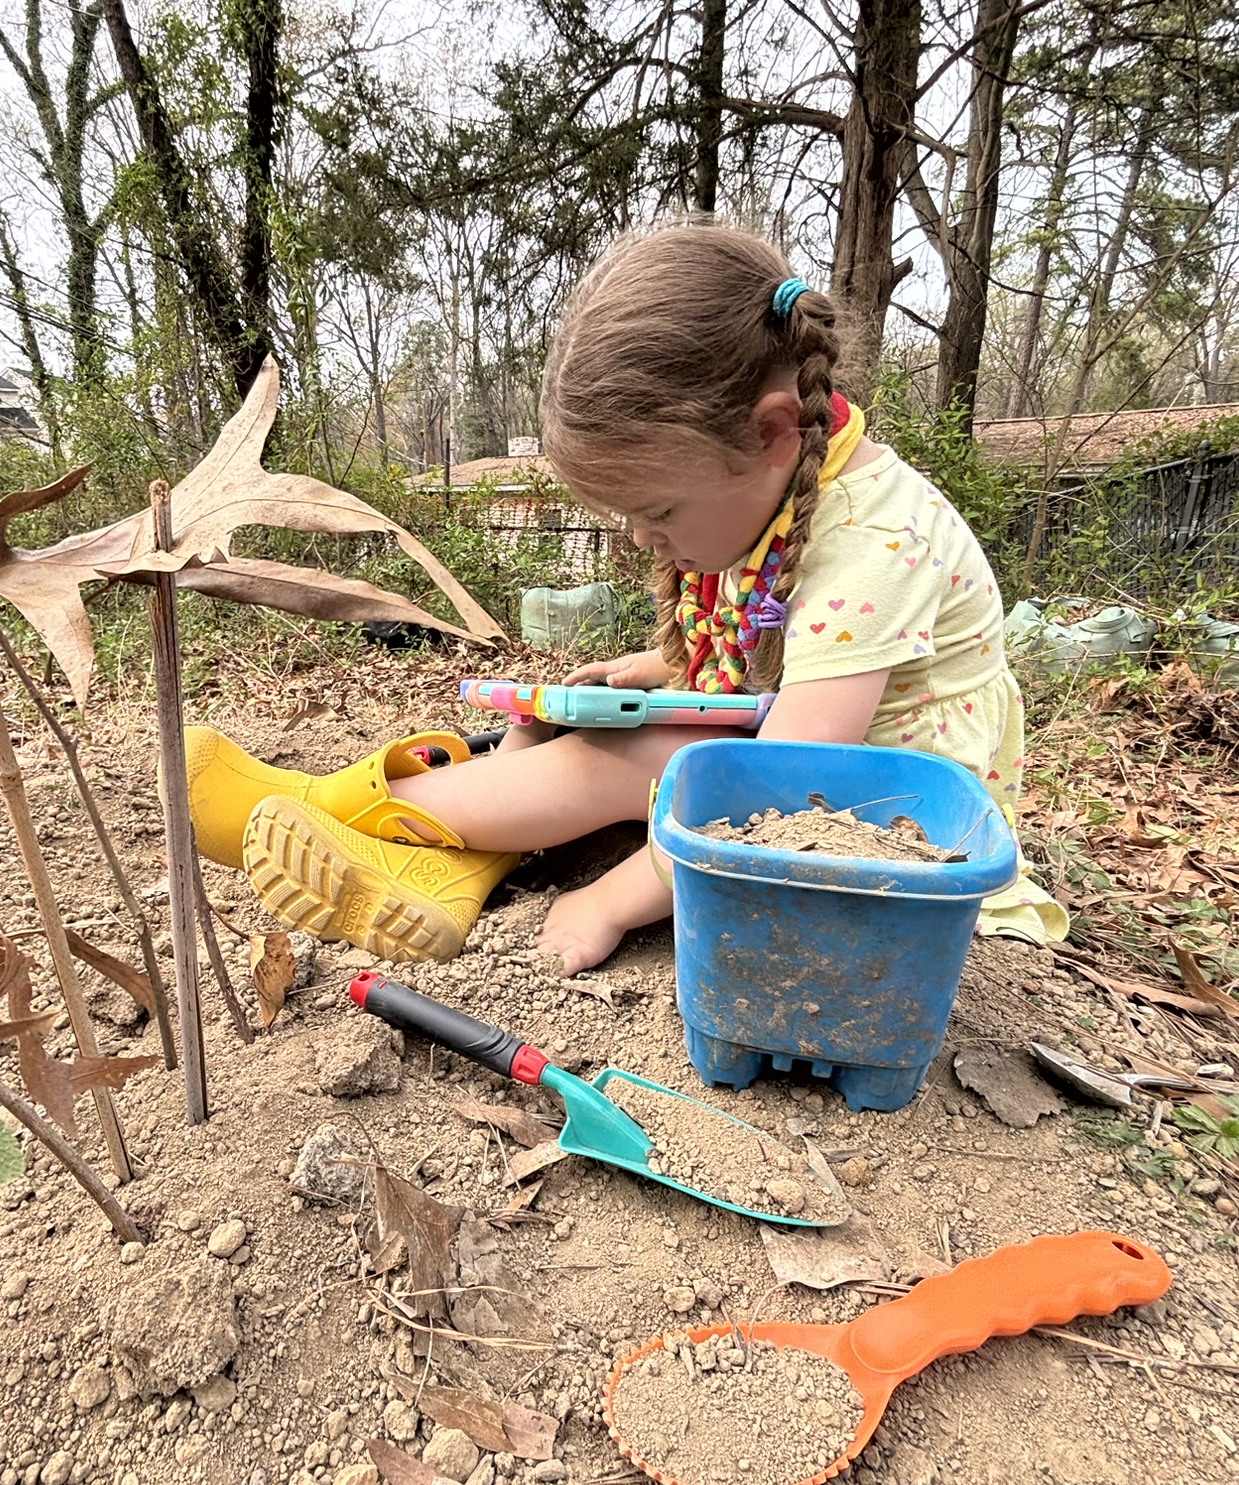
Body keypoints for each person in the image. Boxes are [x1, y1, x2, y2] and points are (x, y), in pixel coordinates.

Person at [183, 221, 1065, 974]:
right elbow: (772, 637)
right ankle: (438, 874)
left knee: (637, 755)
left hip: (893, 835)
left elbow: (778, 789)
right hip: (831, 762)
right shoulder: (785, 482)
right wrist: (659, 665)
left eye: (657, 512)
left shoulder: (878, 540)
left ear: (765, 432)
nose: (644, 539)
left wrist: (613, 899)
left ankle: (324, 805)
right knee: (571, 724)